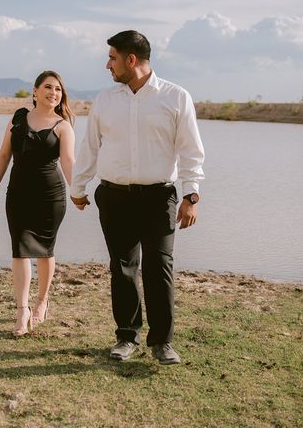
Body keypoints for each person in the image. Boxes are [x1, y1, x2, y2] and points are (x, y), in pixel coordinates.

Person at [70, 30, 205, 364]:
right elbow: (90, 147)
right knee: (123, 267)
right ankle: (127, 337)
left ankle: (162, 342)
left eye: (112, 58)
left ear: (131, 60)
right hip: (114, 198)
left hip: (159, 198)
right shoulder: (105, 100)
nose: (107, 65)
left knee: (159, 268)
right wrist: (79, 187)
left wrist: (191, 195)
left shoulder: (176, 97)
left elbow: (190, 151)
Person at [0, 70, 76, 336]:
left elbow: (69, 162)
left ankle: (42, 302)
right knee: (20, 249)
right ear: (35, 91)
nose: (53, 93)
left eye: (58, 89)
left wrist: (79, 192)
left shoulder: (63, 125)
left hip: (51, 196)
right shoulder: (18, 118)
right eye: (48, 87)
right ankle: (22, 309)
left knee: (45, 251)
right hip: (18, 194)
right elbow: (4, 155)